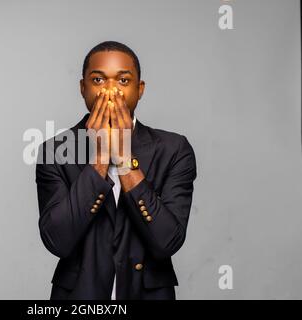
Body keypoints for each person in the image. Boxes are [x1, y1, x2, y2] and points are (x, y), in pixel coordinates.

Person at [35, 41, 197, 300]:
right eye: (98, 80)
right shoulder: (55, 151)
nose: (110, 91)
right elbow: (58, 241)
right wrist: (100, 156)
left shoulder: (174, 149)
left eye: (123, 81)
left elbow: (167, 241)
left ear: (139, 89)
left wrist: (123, 157)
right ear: (83, 88)